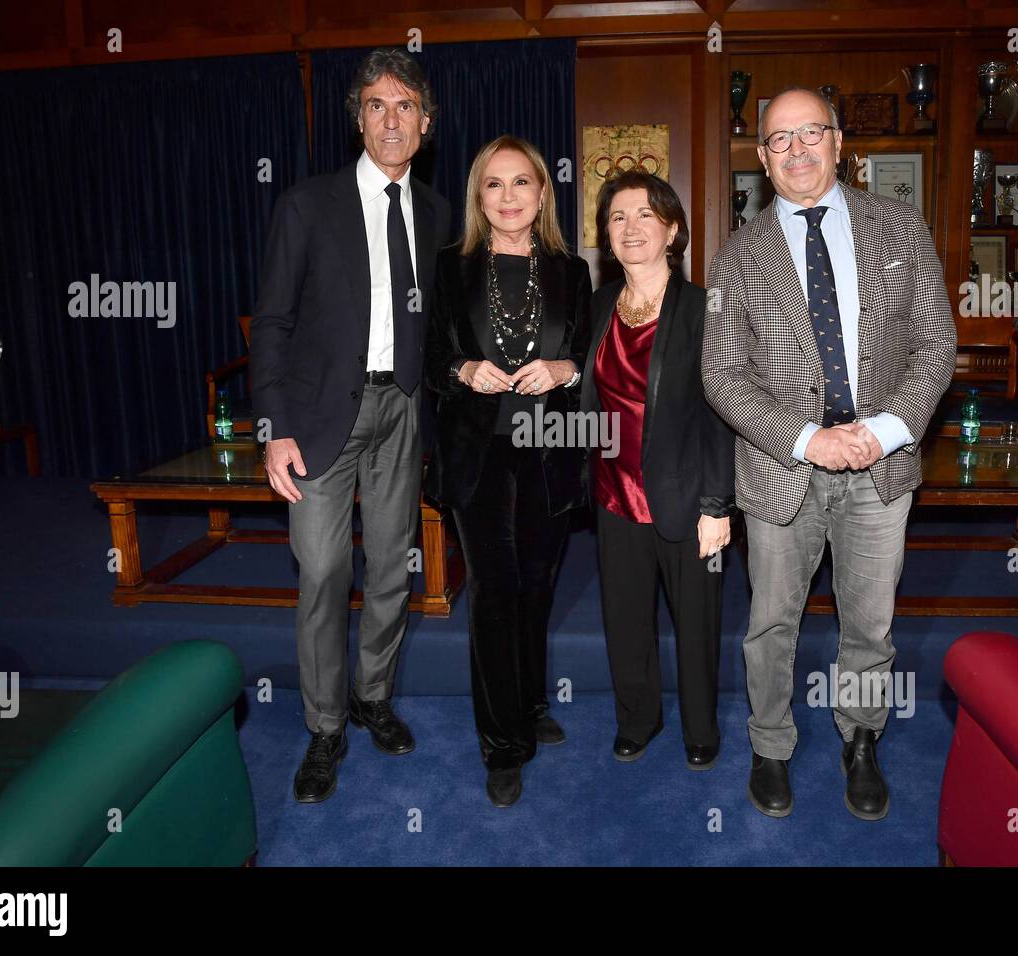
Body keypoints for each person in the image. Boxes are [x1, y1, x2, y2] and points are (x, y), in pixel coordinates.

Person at [702, 86, 956, 821]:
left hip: (883, 466)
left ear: (840, 143)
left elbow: (937, 345)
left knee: (869, 623)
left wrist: (884, 430)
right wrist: (809, 439)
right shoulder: (738, 256)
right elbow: (720, 375)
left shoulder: (900, 228)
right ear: (761, 159)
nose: (797, 151)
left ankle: (862, 739)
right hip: (782, 470)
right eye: (779, 140)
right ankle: (770, 744)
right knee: (770, 623)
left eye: (810, 133)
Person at [251, 48, 451, 804]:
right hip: (318, 418)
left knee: (393, 573)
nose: (391, 119)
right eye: (376, 105)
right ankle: (325, 725)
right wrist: (274, 426)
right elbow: (270, 322)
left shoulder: (437, 214)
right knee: (325, 574)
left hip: (403, 411)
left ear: (425, 125)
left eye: (405, 107)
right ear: (357, 119)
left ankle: (372, 697)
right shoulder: (307, 205)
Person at [424, 135, 592, 807]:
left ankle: (527, 703)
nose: (508, 196)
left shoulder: (571, 271)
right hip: (479, 453)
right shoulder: (449, 270)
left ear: (542, 193)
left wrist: (566, 367)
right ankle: (502, 743)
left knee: (538, 588)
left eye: (521, 182)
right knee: (495, 591)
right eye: (493, 185)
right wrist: (463, 368)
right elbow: (431, 357)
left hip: (551, 446)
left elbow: (585, 353)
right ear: (478, 197)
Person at [579, 170, 735, 770]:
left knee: (696, 623)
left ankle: (701, 728)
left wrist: (718, 506)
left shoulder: (702, 308)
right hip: (614, 494)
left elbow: (723, 412)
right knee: (624, 619)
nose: (631, 228)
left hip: (688, 494)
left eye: (645, 215)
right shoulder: (597, 307)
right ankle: (637, 719)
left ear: (672, 229)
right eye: (618, 218)